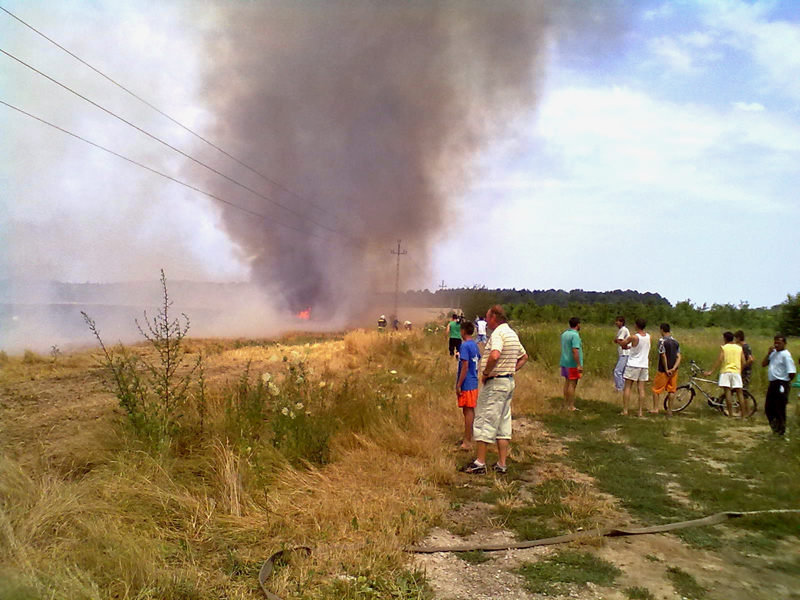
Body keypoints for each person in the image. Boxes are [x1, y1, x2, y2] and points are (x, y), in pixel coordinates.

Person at [462, 305, 528, 474]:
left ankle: (480, 462)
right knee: (503, 423)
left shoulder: (498, 333)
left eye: (487, 317)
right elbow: (524, 356)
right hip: (508, 382)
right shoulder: (511, 333)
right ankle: (501, 463)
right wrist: (510, 369)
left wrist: (486, 372)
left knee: (484, 420)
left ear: (493, 318)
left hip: (495, 383)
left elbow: (495, 354)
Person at [761, 335, 797, 438]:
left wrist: (785, 382)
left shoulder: (786, 355)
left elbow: (792, 372)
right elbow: (763, 364)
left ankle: (781, 431)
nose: (776, 345)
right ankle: (775, 429)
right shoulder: (773, 354)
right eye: (775, 343)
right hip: (773, 383)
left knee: (779, 407)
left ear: (784, 344)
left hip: (781, 383)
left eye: (779, 343)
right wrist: (768, 354)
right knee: (769, 407)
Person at [706, 331, 748, 418]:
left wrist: (711, 371)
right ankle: (743, 415)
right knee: (739, 393)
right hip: (736, 372)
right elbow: (744, 362)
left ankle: (731, 415)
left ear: (725, 339)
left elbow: (720, 360)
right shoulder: (739, 348)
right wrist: (740, 370)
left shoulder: (724, 347)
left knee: (728, 393)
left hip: (726, 371)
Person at [455, 321, 481, 451]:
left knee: (468, 411)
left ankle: (467, 441)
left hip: (467, 383)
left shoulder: (465, 346)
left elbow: (465, 366)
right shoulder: (475, 345)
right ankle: (468, 437)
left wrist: (459, 384)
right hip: (474, 381)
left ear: (464, 331)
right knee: (468, 411)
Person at [621, 318, 651, 416]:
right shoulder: (648, 337)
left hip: (633, 364)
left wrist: (620, 341)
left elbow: (623, 343)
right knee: (641, 388)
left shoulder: (634, 337)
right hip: (644, 365)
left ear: (636, 325)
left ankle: (625, 410)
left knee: (628, 387)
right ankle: (640, 411)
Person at [652, 323, 681, 415]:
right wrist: (674, 368)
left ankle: (655, 408)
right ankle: (670, 410)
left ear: (662, 330)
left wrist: (667, 368)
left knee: (656, 390)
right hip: (674, 370)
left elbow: (663, 355)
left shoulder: (662, 341)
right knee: (671, 390)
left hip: (663, 370)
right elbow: (679, 356)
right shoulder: (676, 342)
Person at [559, 317, 583, 411]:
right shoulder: (575, 335)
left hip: (564, 361)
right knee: (572, 384)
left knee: (567, 383)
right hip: (572, 363)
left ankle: (566, 403)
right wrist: (578, 364)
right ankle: (571, 406)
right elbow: (575, 350)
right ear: (577, 324)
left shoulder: (564, 334)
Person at [612, 316, 630, 392]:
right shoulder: (622, 330)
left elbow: (619, 340)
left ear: (621, 322)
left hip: (624, 353)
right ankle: (622, 387)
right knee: (622, 372)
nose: (616, 323)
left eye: (618, 321)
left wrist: (620, 342)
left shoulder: (623, 330)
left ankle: (620, 388)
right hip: (623, 353)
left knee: (618, 371)